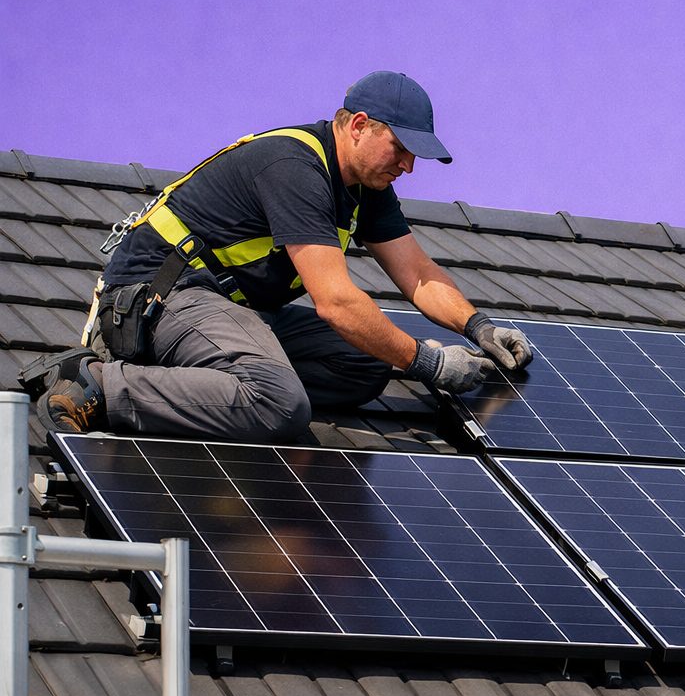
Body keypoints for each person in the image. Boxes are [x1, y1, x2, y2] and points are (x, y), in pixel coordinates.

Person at [23, 71, 533, 443]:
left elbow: (417, 274)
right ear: (358, 125)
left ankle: (215, 385)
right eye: (400, 148)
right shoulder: (294, 166)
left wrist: (479, 327)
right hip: (162, 298)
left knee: (367, 365)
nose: (408, 166)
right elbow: (335, 302)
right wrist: (428, 362)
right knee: (280, 402)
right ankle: (99, 384)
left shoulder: (366, 186)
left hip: (227, 312)